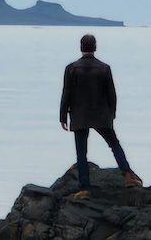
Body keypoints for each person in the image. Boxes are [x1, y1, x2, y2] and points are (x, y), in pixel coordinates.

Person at [59, 33, 142, 197]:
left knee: (81, 152)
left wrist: (63, 116)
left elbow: (66, 93)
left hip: (79, 114)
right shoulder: (104, 68)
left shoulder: (72, 68)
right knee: (114, 144)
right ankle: (127, 175)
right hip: (101, 114)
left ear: (81, 47)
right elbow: (112, 94)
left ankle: (85, 188)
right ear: (95, 47)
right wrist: (112, 113)